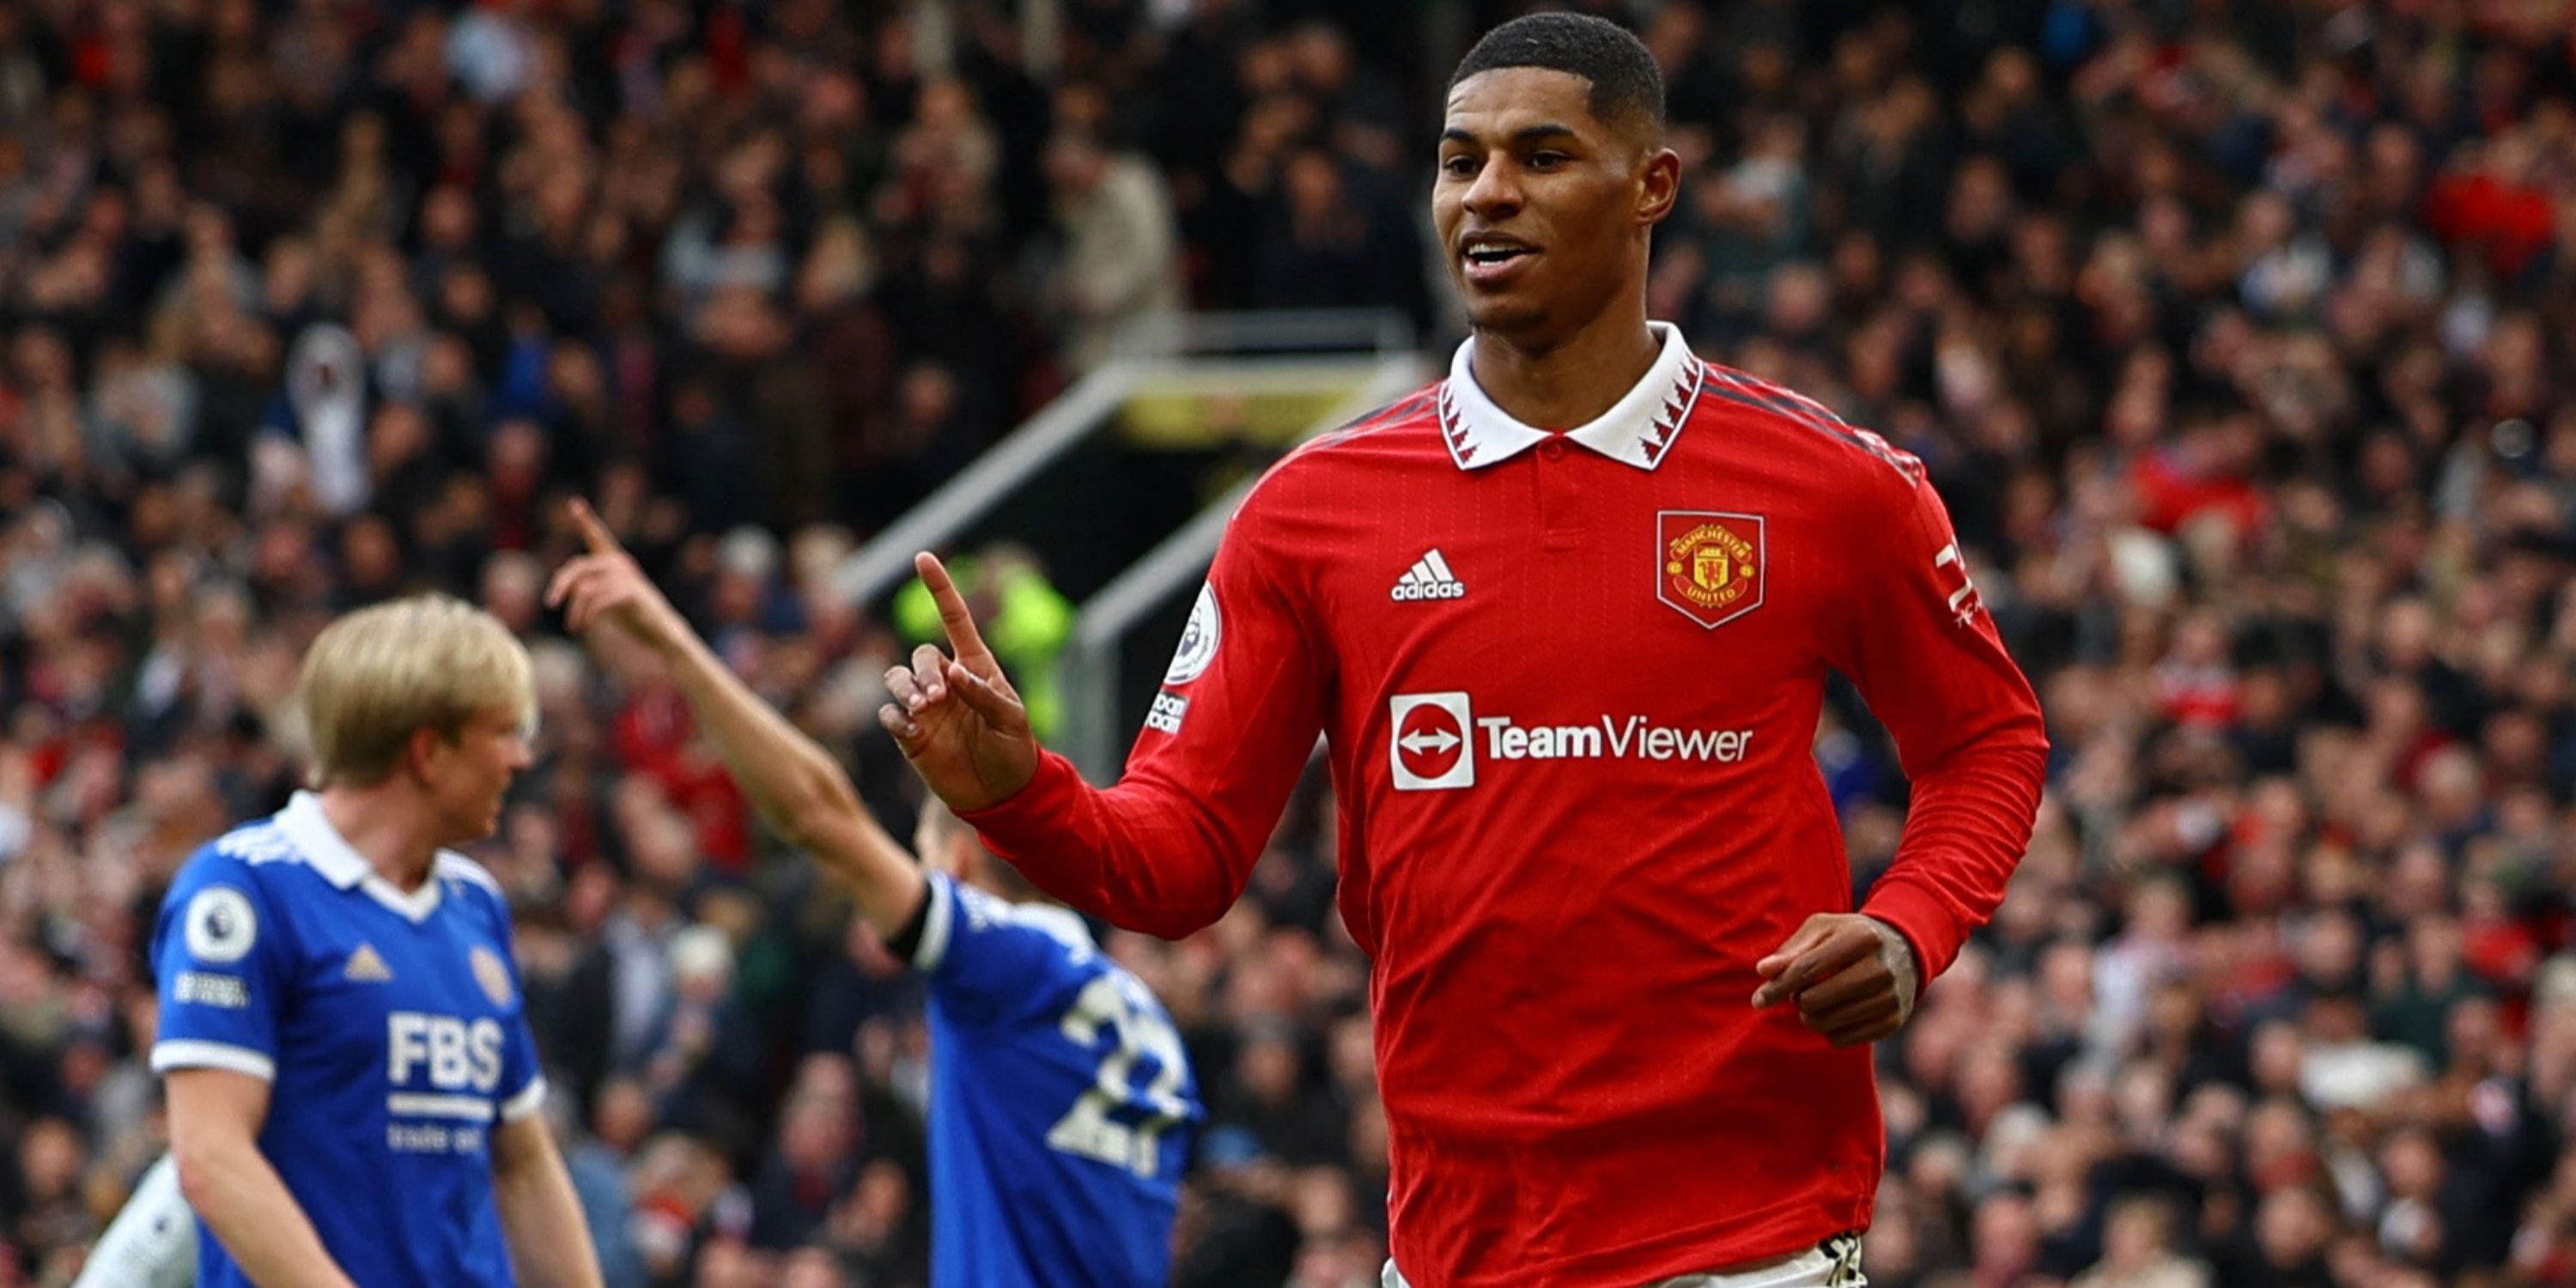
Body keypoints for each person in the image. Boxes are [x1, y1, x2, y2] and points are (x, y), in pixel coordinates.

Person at [878, 13, 2050, 1288]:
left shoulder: (1829, 487)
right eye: (1460, 160)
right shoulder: (1309, 511)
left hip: (1750, 1244)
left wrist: (1907, 928)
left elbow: (1987, 738)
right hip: (1455, 1253)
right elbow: (1180, 862)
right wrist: (1021, 791)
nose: (1488, 194)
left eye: (1543, 157)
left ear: (1653, 185)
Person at [546, 501, 1200, 1287]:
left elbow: (820, 817)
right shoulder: (1144, 1022)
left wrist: (678, 648)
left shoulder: (1008, 964)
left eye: (920, 851)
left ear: (958, 860)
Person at [149, 596, 603, 1286]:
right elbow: (212, 1157)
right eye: (504, 732)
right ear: (428, 750)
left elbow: (524, 1161)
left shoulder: (474, 904)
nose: (521, 758)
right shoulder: (245, 889)